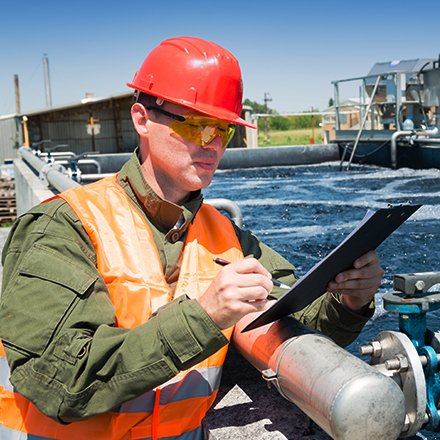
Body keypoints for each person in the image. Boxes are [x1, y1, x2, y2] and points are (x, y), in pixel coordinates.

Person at [0, 36, 383, 440]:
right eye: (195, 126)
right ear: (142, 119)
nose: (213, 144)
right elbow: (60, 384)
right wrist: (207, 316)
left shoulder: (227, 235)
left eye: (223, 130)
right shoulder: (62, 226)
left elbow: (299, 335)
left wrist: (349, 301)